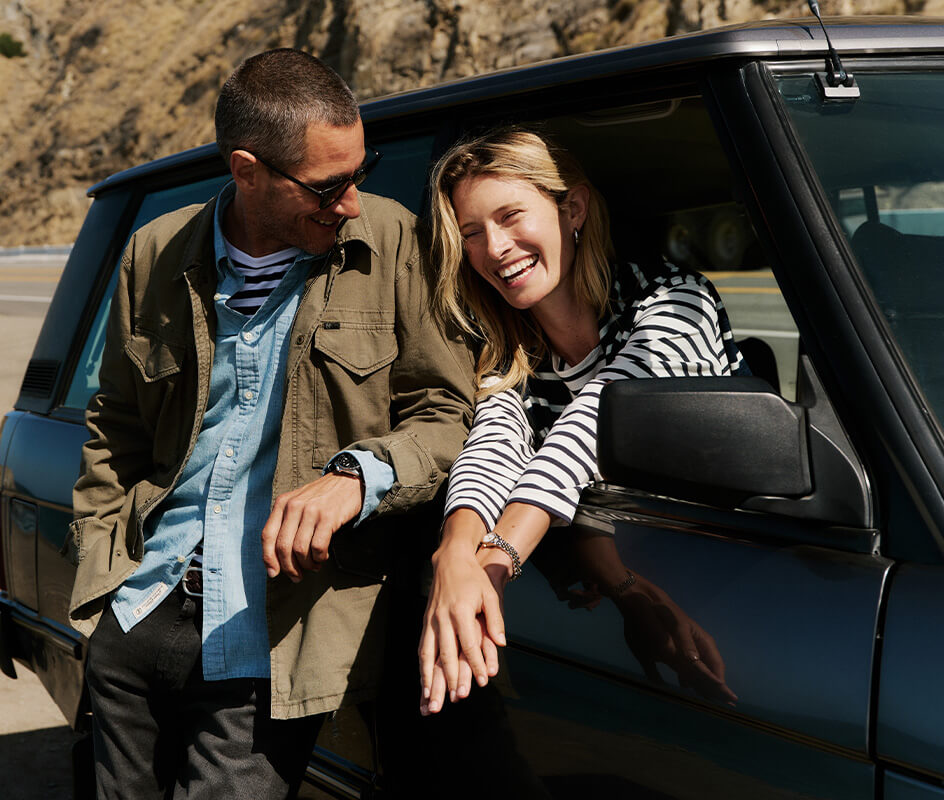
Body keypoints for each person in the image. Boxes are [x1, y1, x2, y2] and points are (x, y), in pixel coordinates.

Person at [67, 48, 474, 799]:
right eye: (328, 185)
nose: (350, 200)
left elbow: (450, 414)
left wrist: (359, 477)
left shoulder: (394, 245)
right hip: (138, 612)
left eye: (361, 170)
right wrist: (102, 569)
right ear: (246, 170)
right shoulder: (154, 252)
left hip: (272, 636)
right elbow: (115, 423)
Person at [417, 127, 747, 716]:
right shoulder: (508, 348)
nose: (495, 248)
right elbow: (493, 445)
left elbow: (586, 430)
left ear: (573, 208)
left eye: (512, 216)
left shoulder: (676, 303)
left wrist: (490, 570)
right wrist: (453, 553)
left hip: (739, 573)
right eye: (472, 233)